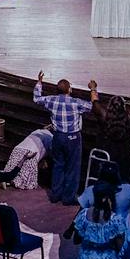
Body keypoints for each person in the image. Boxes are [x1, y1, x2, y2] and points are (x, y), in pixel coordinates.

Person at [31, 75, 96, 204]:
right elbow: (93, 106)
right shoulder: (76, 102)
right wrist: (93, 89)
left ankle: (55, 195)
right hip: (73, 138)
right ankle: (68, 197)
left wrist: (39, 82)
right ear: (69, 90)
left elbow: (37, 98)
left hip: (58, 137)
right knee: (72, 167)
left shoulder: (51, 100)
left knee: (58, 166)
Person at [68, 186, 127, 259]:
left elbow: (76, 240)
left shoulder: (83, 214)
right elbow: (120, 248)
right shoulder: (116, 220)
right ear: (108, 199)